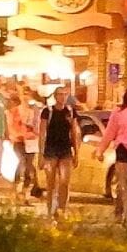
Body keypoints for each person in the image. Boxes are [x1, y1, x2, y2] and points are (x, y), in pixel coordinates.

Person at [97, 83, 127, 223]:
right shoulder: (119, 112)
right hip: (123, 148)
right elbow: (109, 133)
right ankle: (123, 215)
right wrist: (101, 149)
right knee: (123, 184)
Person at [39, 84, 81, 220]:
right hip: (51, 149)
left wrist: (77, 152)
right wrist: (41, 154)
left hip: (65, 149)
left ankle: (62, 209)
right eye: (60, 94)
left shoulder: (70, 111)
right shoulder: (48, 111)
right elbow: (42, 133)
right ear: (55, 96)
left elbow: (74, 131)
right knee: (51, 182)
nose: (63, 97)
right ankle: (50, 209)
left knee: (65, 181)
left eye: (65, 94)